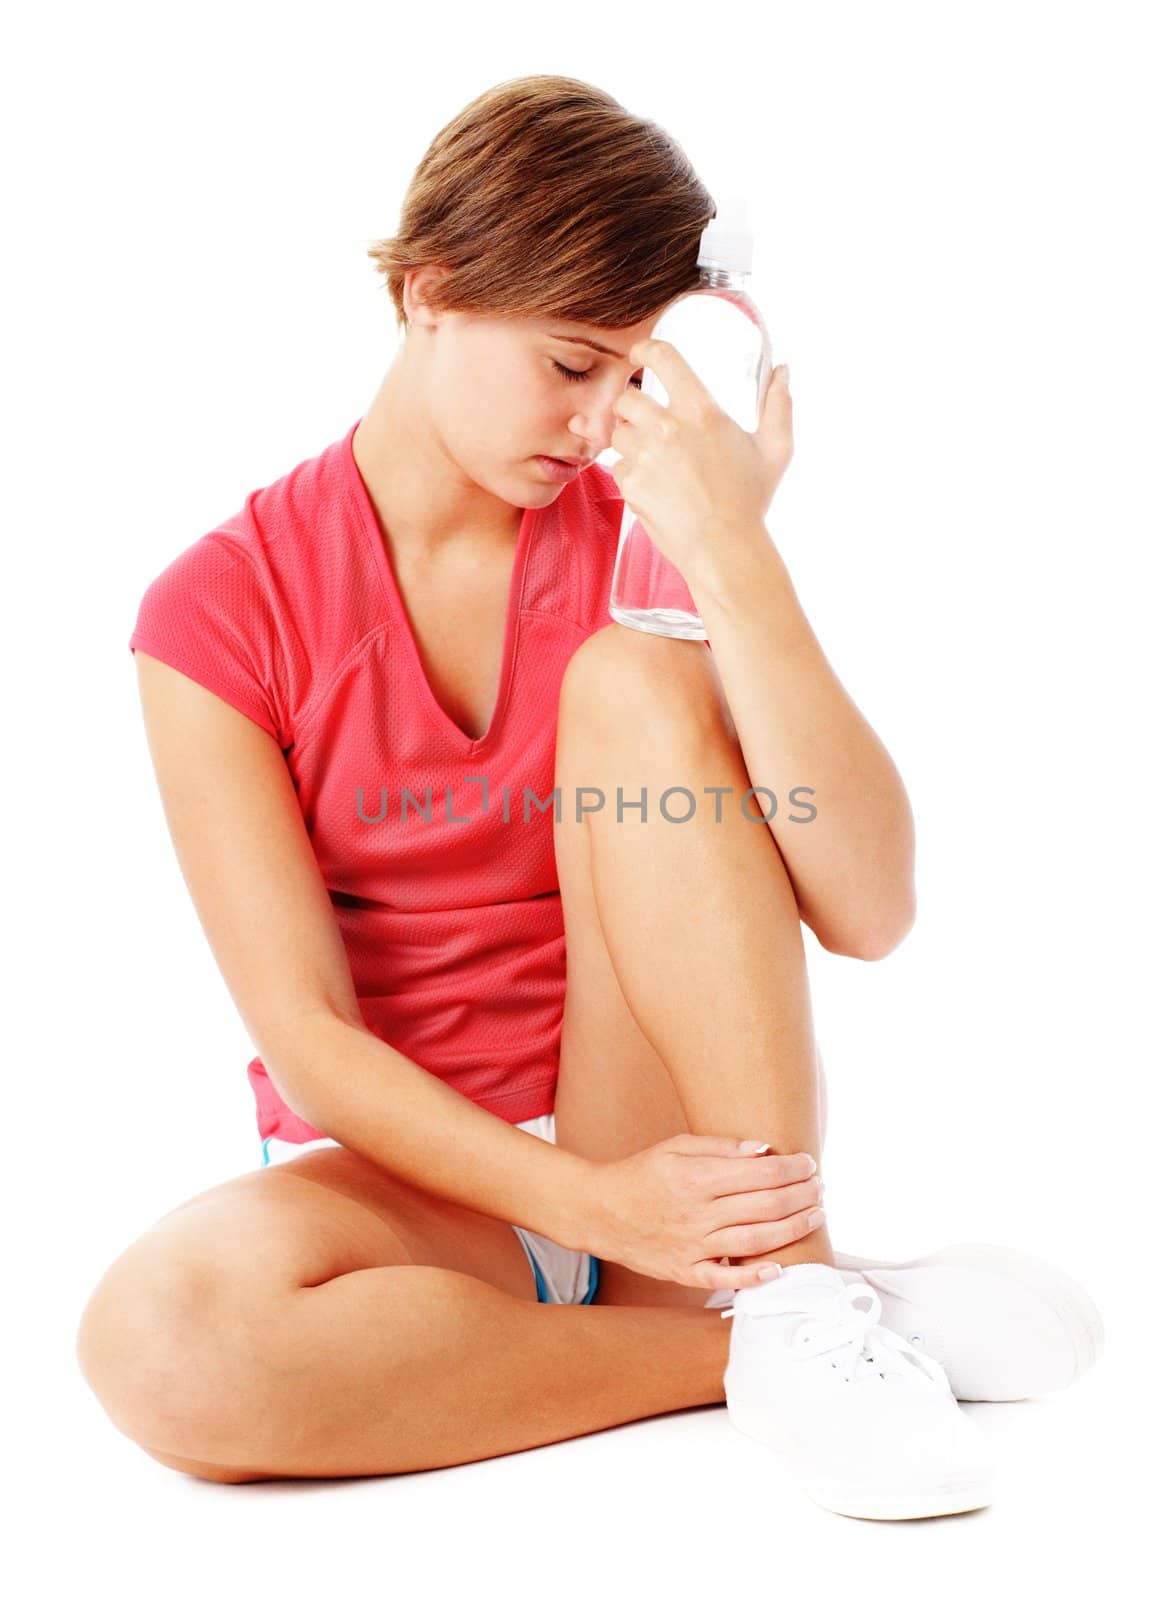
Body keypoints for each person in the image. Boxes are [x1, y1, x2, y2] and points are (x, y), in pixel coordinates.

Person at [75, 74, 1102, 1521]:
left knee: (631, 677)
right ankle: (774, 1334)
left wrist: (732, 552)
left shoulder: (638, 545)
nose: (598, 419)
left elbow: (868, 910)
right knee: (166, 1351)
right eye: (568, 365)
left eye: (633, 373)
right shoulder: (221, 608)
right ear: (428, 293)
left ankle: (785, 1298)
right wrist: (586, 1211)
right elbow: (305, 1039)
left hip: (653, 1127)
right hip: (419, 1188)